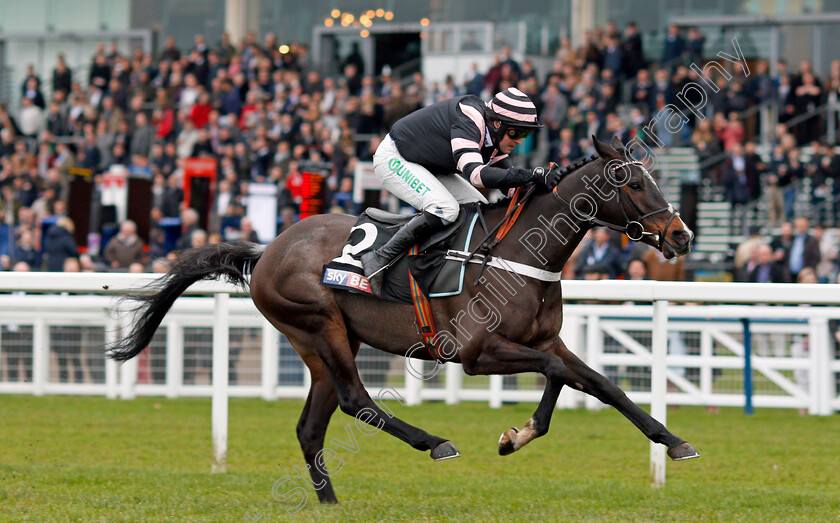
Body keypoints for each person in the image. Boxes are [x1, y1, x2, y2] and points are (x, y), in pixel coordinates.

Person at [360, 87, 560, 295]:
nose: (519, 140)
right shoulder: (470, 118)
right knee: (445, 209)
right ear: (498, 123)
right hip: (395, 157)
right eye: (516, 132)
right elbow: (477, 176)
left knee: (480, 210)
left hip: (430, 166)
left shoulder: (495, 135)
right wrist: (531, 174)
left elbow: (510, 187)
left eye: (525, 134)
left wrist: (547, 190)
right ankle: (381, 256)